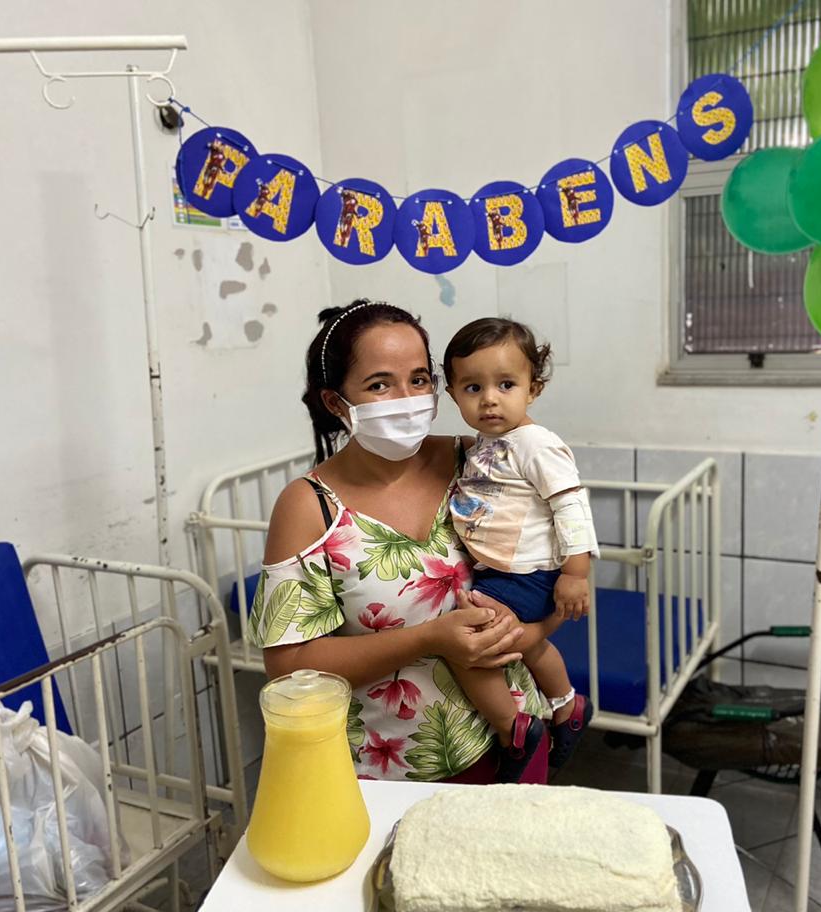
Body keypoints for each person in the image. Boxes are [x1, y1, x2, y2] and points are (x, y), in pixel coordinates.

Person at [246, 300, 560, 783]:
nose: (407, 398)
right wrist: (429, 639)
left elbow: (565, 567)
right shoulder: (309, 507)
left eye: (418, 379)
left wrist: (529, 635)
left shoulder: (481, 463)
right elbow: (288, 667)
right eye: (379, 384)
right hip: (394, 767)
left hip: (516, 739)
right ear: (336, 403)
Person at [442, 318, 598, 779]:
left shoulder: (535, 444)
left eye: (506, 384)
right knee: (532, 647)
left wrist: (575, 574)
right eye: (473, 387)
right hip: (502, 570)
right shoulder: (486, 444)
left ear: (534, 389)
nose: (489, 398)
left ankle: (515, 731)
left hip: (527, 574)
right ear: (453, 394)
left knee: (469, 646)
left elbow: (571, 507)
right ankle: (567, 705)